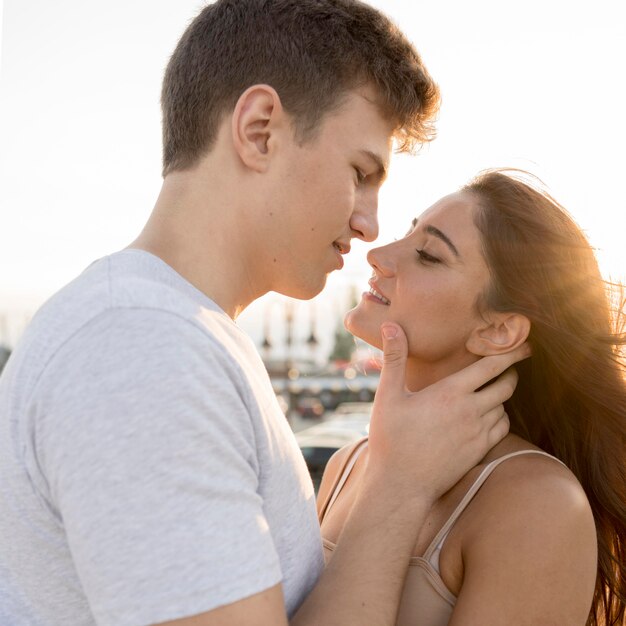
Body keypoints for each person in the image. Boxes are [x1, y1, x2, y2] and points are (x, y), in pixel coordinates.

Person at [0, 2, 526, 626]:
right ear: (259, 130)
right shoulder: (142, 349)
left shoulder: (180, 336)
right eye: (360, 173)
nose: (370, 224)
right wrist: (398, 489)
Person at [318, 169, 626, 626]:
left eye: (428, 255)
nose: (379, 255)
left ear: (497, 331)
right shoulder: (348, 465)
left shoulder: (537, 504)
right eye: (407, 232)